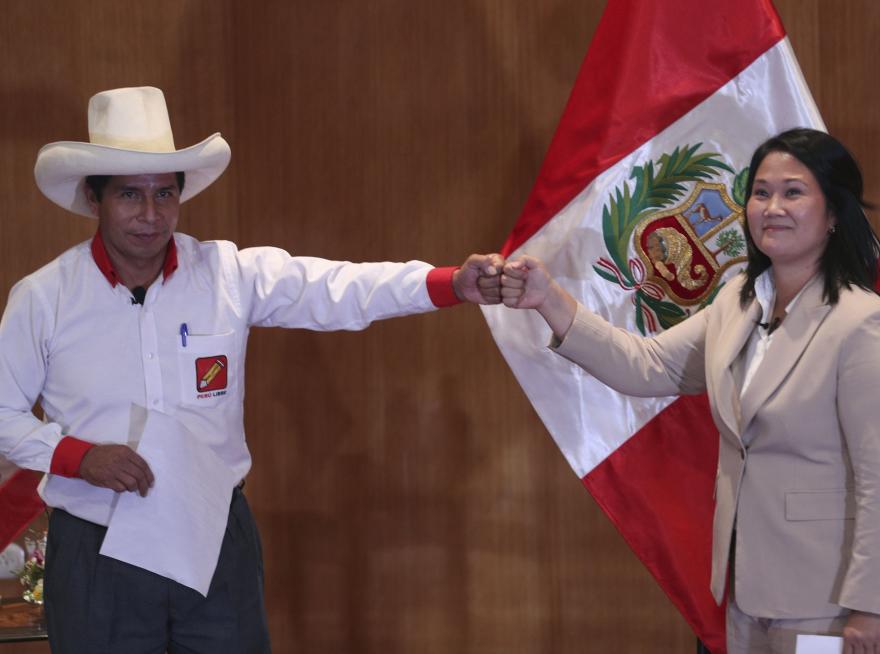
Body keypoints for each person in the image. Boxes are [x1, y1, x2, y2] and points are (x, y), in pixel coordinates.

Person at [0, 86, 504, 653]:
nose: (151, 214)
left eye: (165, 193)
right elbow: (3, 413)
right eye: (129, 196)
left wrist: (449, 284)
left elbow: (337, 288)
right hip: (97, 542)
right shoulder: (45, 297)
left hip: (215, 532)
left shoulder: (227, 273)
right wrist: (79, 457)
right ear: (95, 200)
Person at [500, 128, 880, 654]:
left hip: (829, 599)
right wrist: (549, 300)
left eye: (793, 192)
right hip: (742, 588)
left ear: (834, 213)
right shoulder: (737, 303)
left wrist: (872, 605)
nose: (772, 207)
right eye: (760, 192)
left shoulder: (863, 324)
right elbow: (646, 366)